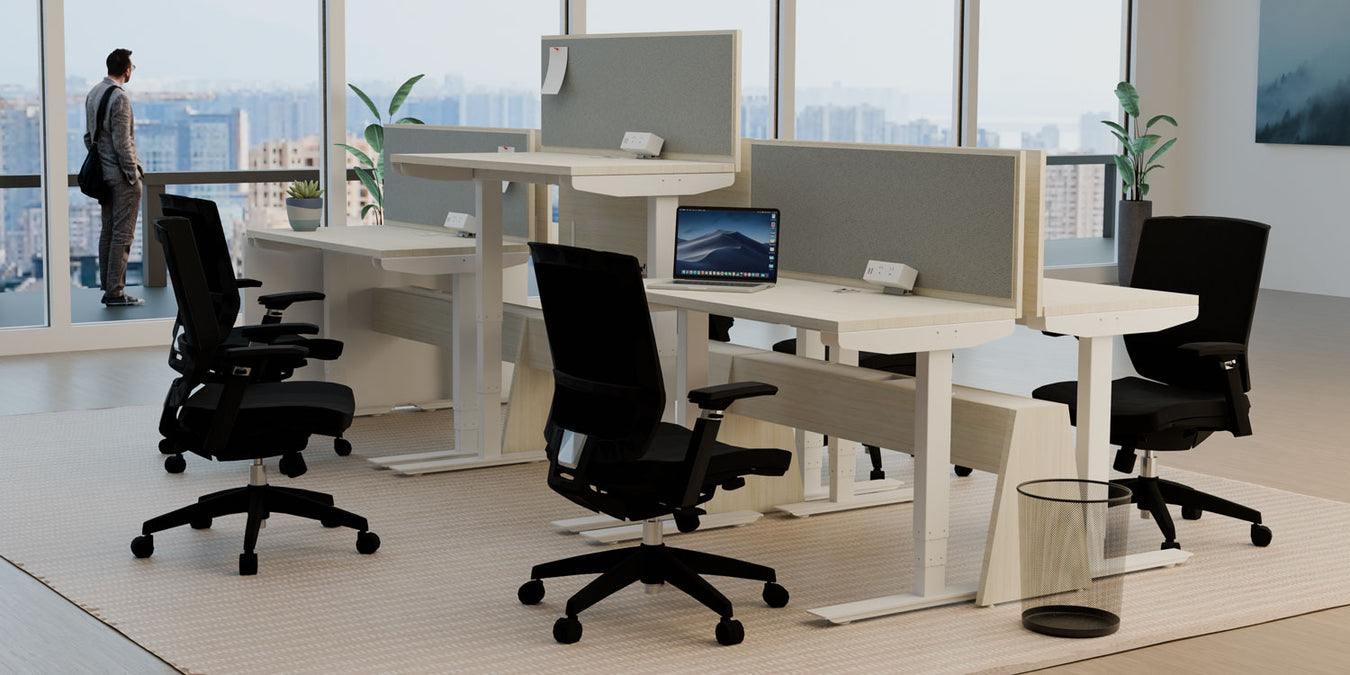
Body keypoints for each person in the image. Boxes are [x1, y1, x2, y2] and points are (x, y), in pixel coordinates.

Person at [85, 48, 145, 306]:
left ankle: (108, 287)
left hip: (102, 177)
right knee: (123, 235)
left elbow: (89, 138)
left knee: (107, 231)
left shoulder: (94, 92)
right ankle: (116, 292)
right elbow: (124, 143)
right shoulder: (119, 98)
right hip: (121, 179)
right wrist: (133, 175)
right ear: (127, 70)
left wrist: (104, 163)